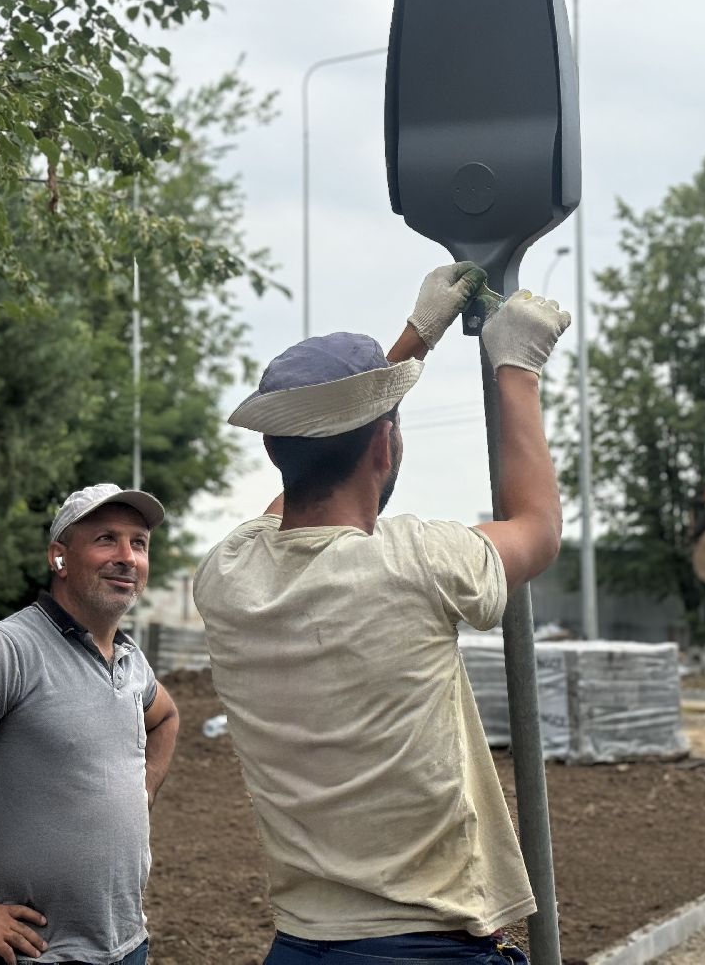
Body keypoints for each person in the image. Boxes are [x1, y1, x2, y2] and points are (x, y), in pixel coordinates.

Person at [193, 262, 570, 965]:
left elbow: (301, 496)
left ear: (273, 448)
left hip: (302, 945)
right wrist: (517, 370)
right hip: (425, 948)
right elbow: (539, 529)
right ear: (385, 446)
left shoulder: (227, 574)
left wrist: (412, 345)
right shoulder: (420, 562)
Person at [0, 484, 181, 965]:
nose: (127, 557)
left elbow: (166, 717)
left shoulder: (132, 661)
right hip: (33, 954)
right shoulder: (4, 650)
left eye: (139, 543)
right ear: (59, 557)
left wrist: (142, 788)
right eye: (106, 539)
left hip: (128, 944)